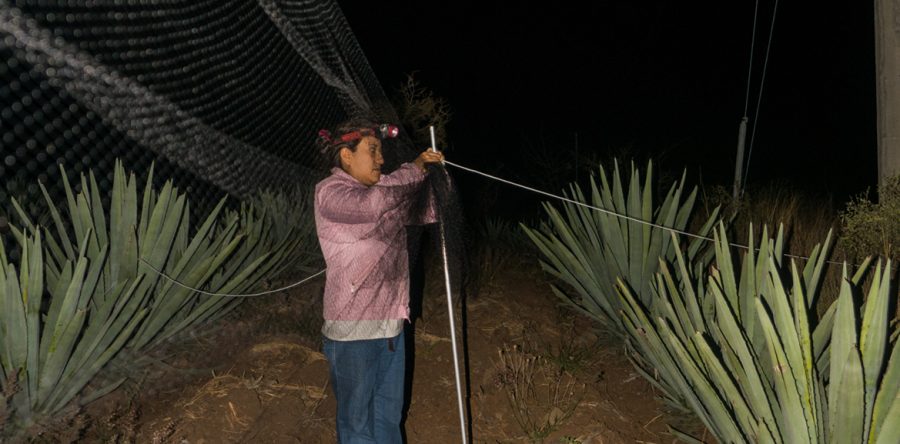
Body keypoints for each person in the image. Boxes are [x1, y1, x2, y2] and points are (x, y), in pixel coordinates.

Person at [313, 118, 444, 443]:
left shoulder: (384, 196)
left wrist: (439, 180)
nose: (381, 159)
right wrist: (414, 168)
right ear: (346, 155)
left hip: (390, 328)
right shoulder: (331, 193)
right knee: (357, 426)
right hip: (353, 334)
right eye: (373, 150)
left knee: (387, 421)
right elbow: (374, 205)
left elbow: (428, 212)